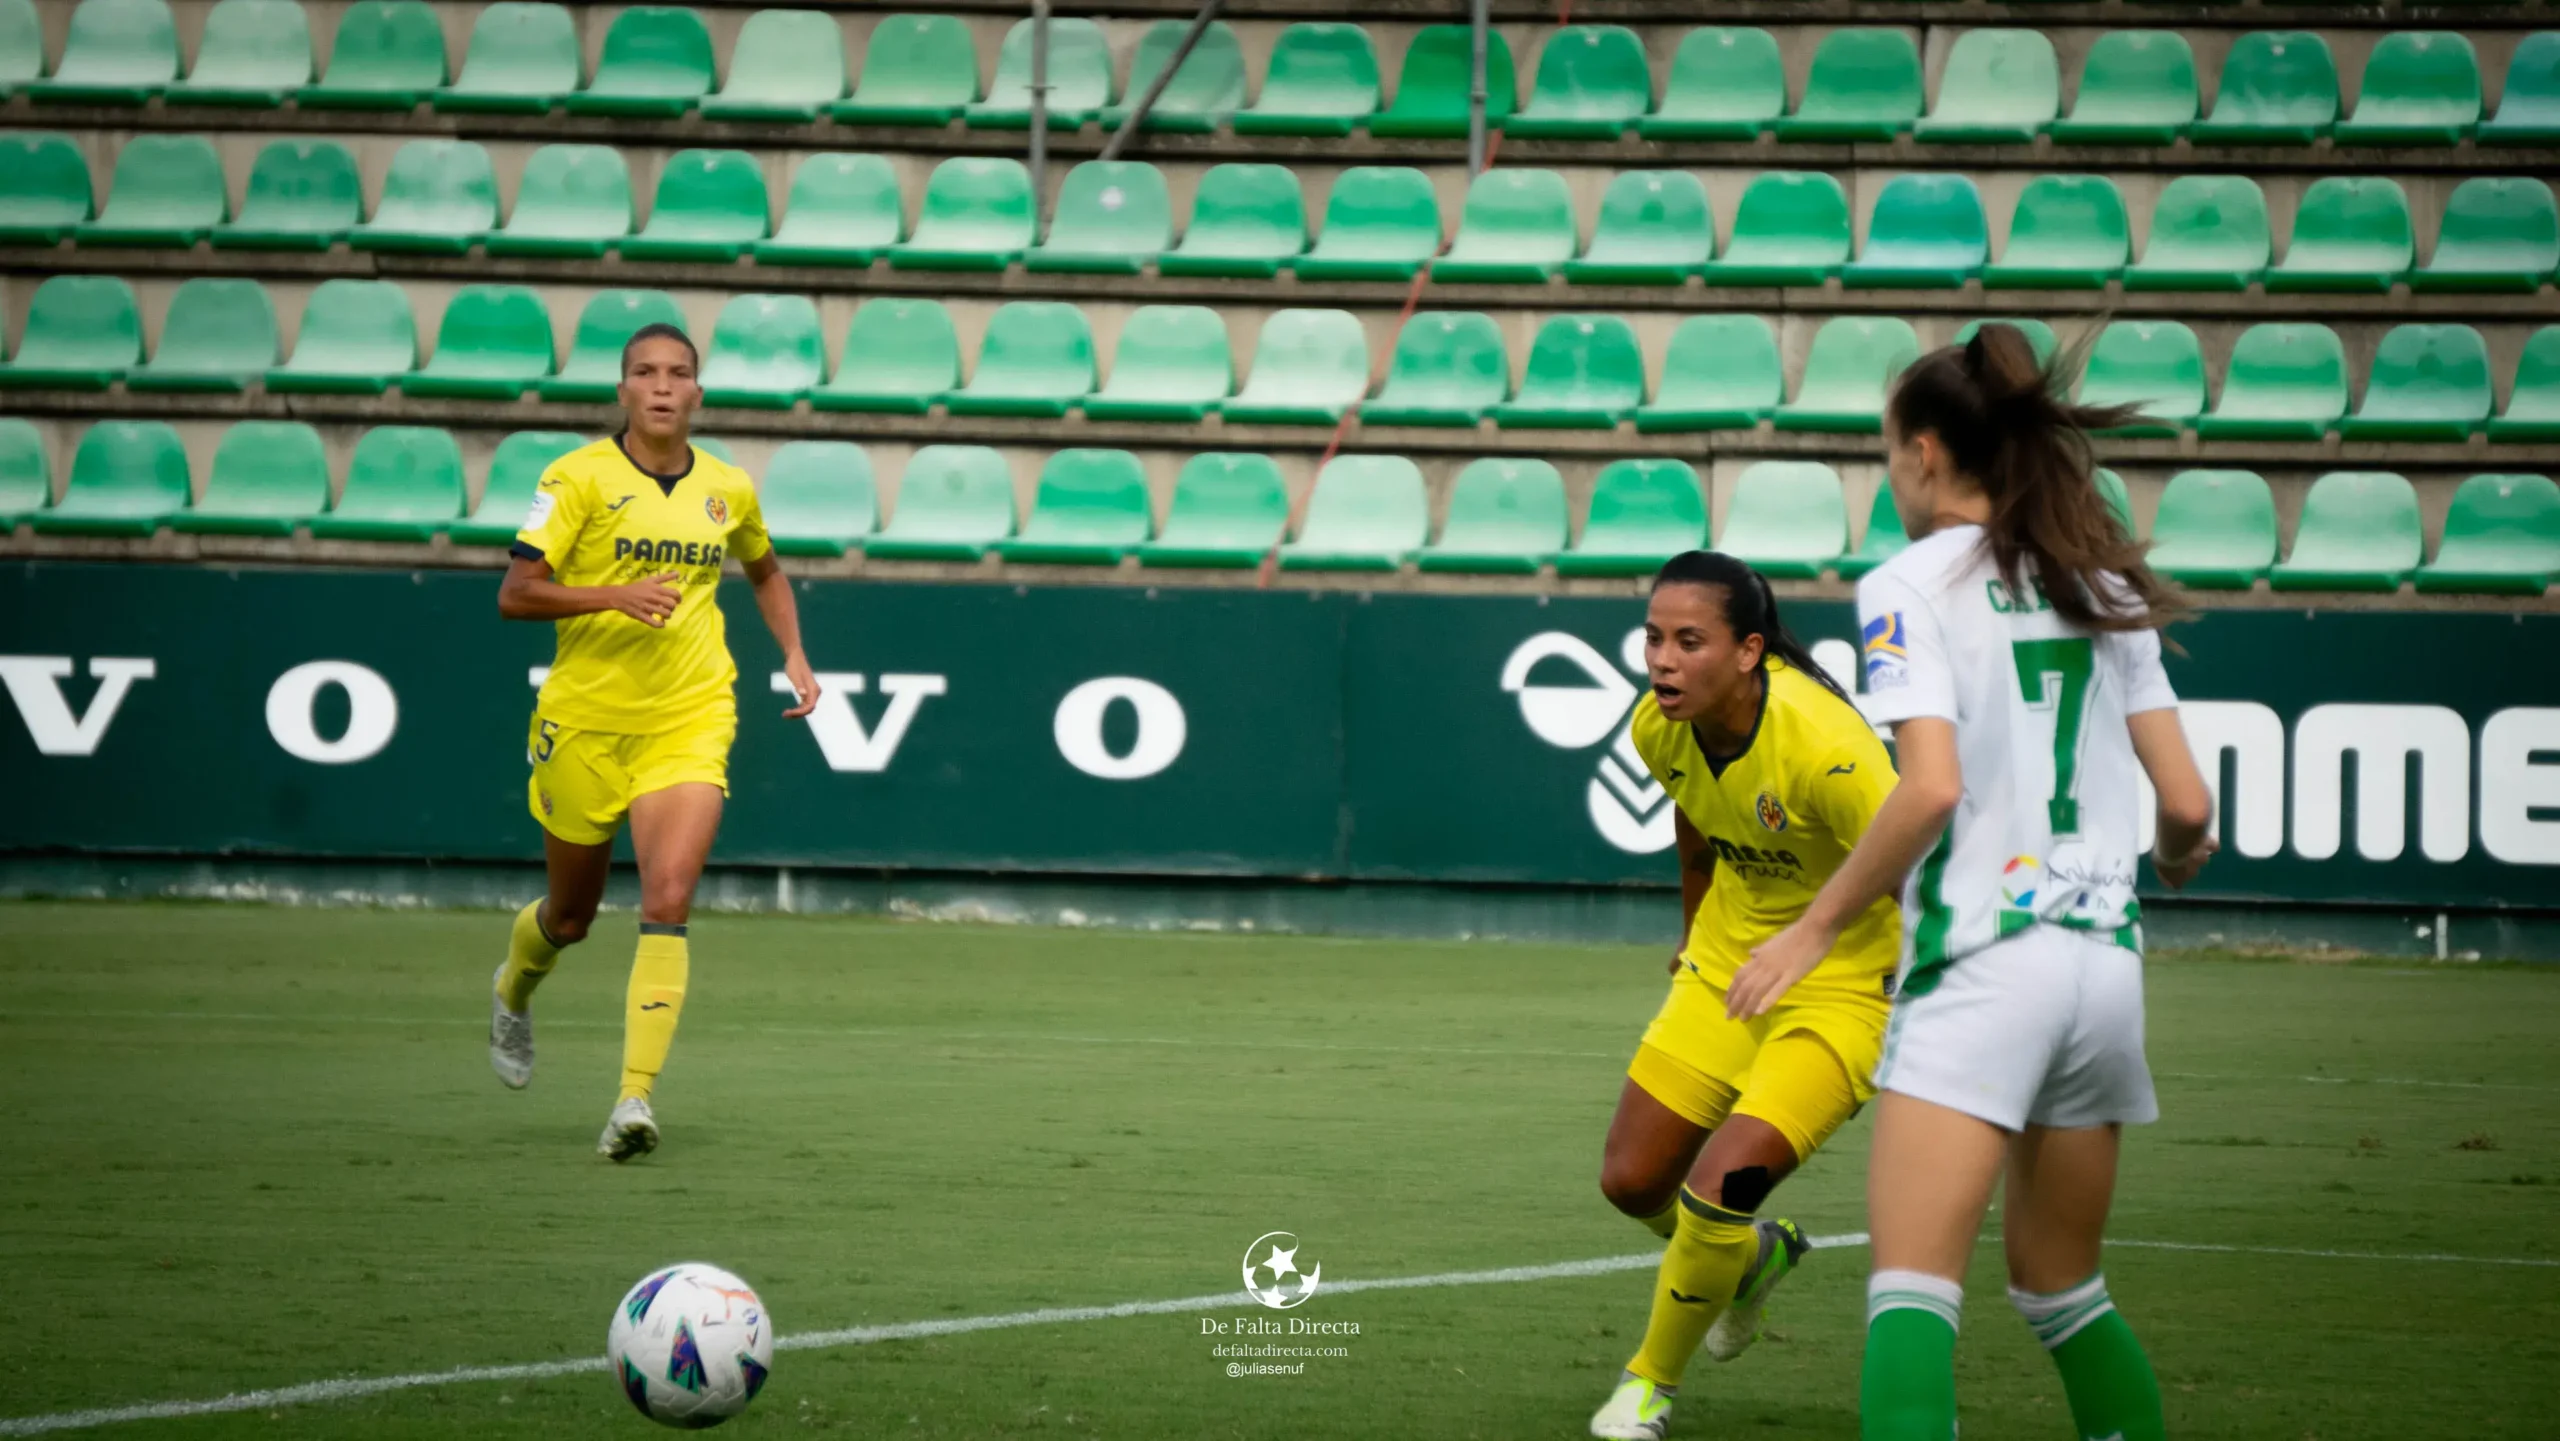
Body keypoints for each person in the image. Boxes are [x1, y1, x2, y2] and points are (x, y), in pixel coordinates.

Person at [1732, 324, 2217, 1441]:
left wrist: (1811, 929)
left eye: (1890, 453)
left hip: (1986, 964)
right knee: (2062, 1291)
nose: (1890, 474)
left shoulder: (1909, 581)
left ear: (1929, 452)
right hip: (2102, 972)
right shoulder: (2099, 578)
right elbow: (2185, 808)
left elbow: (1929, 788)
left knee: (1912, 1295)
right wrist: (2177, 860)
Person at [487, 322, 822, 1162]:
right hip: (588, 722)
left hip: (692, 713)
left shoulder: (728, 488)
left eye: (679, 373)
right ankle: (513, 985)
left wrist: (793, 652)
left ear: (698, 393)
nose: (663, 385)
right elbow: (517, 594)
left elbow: (765, 569)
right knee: (572, 915)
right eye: (646, 372)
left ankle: (633, 1099)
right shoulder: (575, 479)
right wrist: (612, 594)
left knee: (667, 899)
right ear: (624, 391)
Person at [1589, 551, 1902, 1441]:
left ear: (1749, 651)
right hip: (1730, 968)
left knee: (1719, 1185)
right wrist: (1695, 930)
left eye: (1691, 640)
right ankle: (1755, 1261)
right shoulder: (1659, 726)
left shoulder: (1830, 750)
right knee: (1631, 1180)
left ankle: (1647, 1388)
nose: (1663, 659)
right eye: (1654, 637)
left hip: (1846, 990)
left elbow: (1915, 867)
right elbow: (1694, 812)